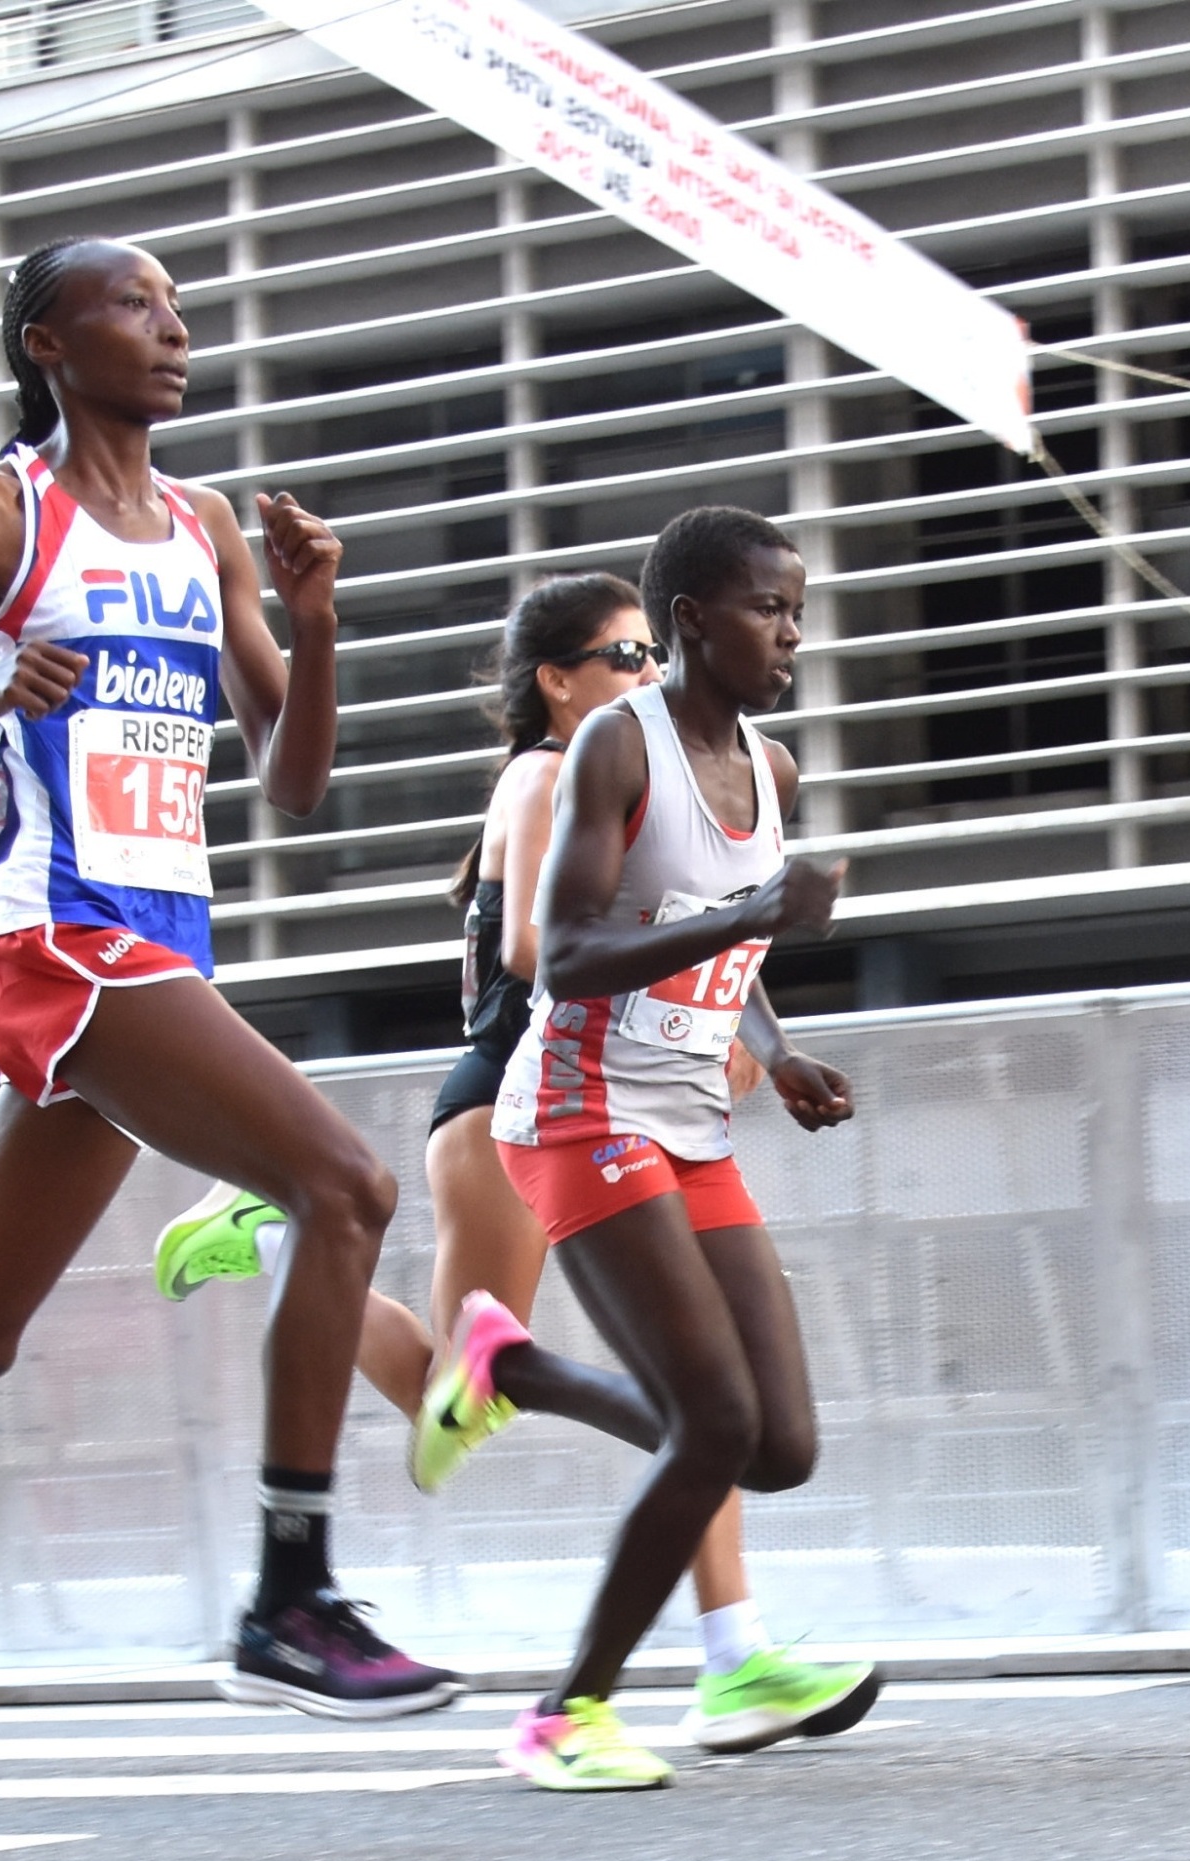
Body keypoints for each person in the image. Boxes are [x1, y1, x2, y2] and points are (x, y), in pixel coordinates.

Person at [0, 238, 454, 1716]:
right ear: (47, 341)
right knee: (345, 1186)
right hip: (56, 936)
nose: (171, 328)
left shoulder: (206, 533)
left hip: (157, 942)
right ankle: (290, 1599)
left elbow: (291, 781)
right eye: (133, 304)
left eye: (177, 306)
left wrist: (313, 625)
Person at [151, 574, 878, 1752]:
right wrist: (708, 964)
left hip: (637, 1103)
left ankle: (734, 1653)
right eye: (623, 657)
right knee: (470, 1390)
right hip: (516, 1098)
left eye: (653, 655)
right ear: (558, 680)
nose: (647, 677)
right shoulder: (550, 773)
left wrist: (755, 1038)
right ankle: (279, 1232)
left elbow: (706, 926)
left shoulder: (673, 773)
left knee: (688, 1406)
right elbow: (550, 947)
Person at [487, 505, 850, 1790]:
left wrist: (779, 1044)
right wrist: (754, 910)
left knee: (780, 1445)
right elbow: (570, 951)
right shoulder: (613, 751)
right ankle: (564, 1713)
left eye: (799, 609)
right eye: (769, 608)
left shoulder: (775, 769)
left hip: (693, 1124)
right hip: (583, 1114)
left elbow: (722, 943)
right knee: (711, 1423)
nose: (792, 634)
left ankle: (516, 1369)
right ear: (692, 619)